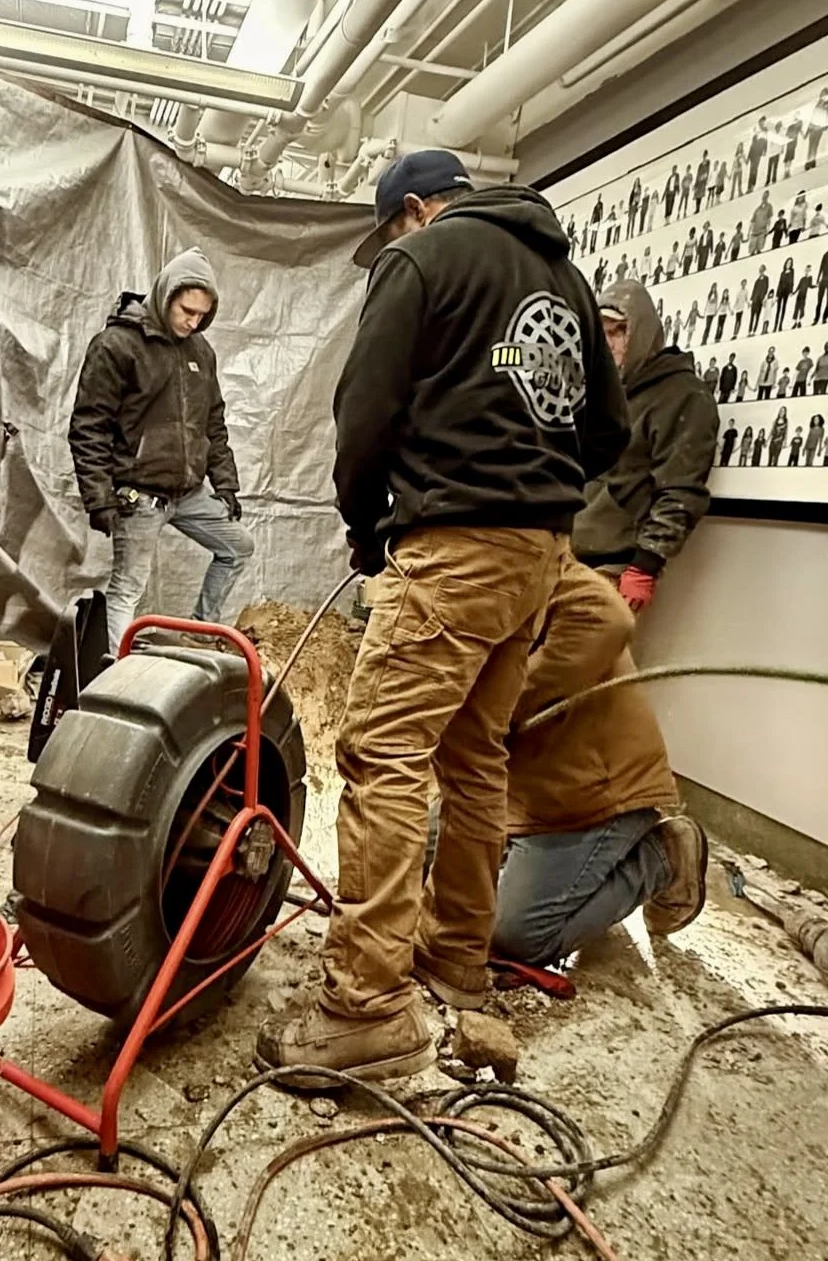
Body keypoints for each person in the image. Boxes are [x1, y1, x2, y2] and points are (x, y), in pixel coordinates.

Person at [256, 150, 629, 1082]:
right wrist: (533, 488)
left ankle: (365, 1006)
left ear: (414, 208)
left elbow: (364, 411)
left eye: (389, 226)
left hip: (454, 546)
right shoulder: (566, 279)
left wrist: (365, 524)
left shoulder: (421, 258)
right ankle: (456, 956)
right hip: (538, 555)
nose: (390, 240)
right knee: (474, 756)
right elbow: (609, 433)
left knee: (383, 754)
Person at [450, 554, 707, 970]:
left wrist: (500, 708)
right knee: (422, 863)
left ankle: (662, 856)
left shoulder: (527, 559)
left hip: (590, 793)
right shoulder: (452, 573)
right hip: (520, 785)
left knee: (514, 935)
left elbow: (608, 621)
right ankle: (565, 877)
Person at [68, 248, 251, 654]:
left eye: (202, 315)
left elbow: (213, 424)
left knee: (238, 548)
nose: (194, 322)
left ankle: (201, 634)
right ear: (166, 296)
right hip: (139, 495)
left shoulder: (201, 352)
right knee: (127, 589)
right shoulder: (117, 346)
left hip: (188, 493)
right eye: (187, 311)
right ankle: (118, 678)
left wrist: (225, 484)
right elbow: (88, 427)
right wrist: (99, 497)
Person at [573, 280, 718, 613]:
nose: (607, 343)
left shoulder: (683, 395)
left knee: (572, 646)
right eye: (600, 333)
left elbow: (681, 490)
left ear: (641, 332)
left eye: (618, 331)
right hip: (569, 554)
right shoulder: (603, 391)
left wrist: (645, 565)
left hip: (615, 564)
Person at [804, 88, 828, 171]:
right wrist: (808, 129)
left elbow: (826, 114)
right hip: (813, 127)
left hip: (819, 127)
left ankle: (812, 161)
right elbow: (813, 116)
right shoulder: (817, 103)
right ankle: (808, 162)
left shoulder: (826, 103)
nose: (822, 95)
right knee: (811, 145)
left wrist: (825, 124)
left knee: (815, 145)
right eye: (822, 94)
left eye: (824, 94)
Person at [774, 258, 796, 332]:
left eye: (790, 263)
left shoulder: (791, 272)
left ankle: (780, 325)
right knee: (778, 310)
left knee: (783, 308)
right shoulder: (782, 273)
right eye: (787, 262)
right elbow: (779, 283)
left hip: (786, 292)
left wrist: (791, 291)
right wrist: (777, 295)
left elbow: (792, 282)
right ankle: (775, 326)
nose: (788, 264)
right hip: (780, 292)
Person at [747, 120, 769, 192]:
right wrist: (748, 159)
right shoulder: (756, 140)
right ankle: (750, 187)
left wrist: (764, 151)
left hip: (756, 157)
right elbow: (751, 148)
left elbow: (765, 141)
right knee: (752, 172)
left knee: (754, 172)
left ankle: (751, 187)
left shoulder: (762, 139)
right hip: (753, 157)